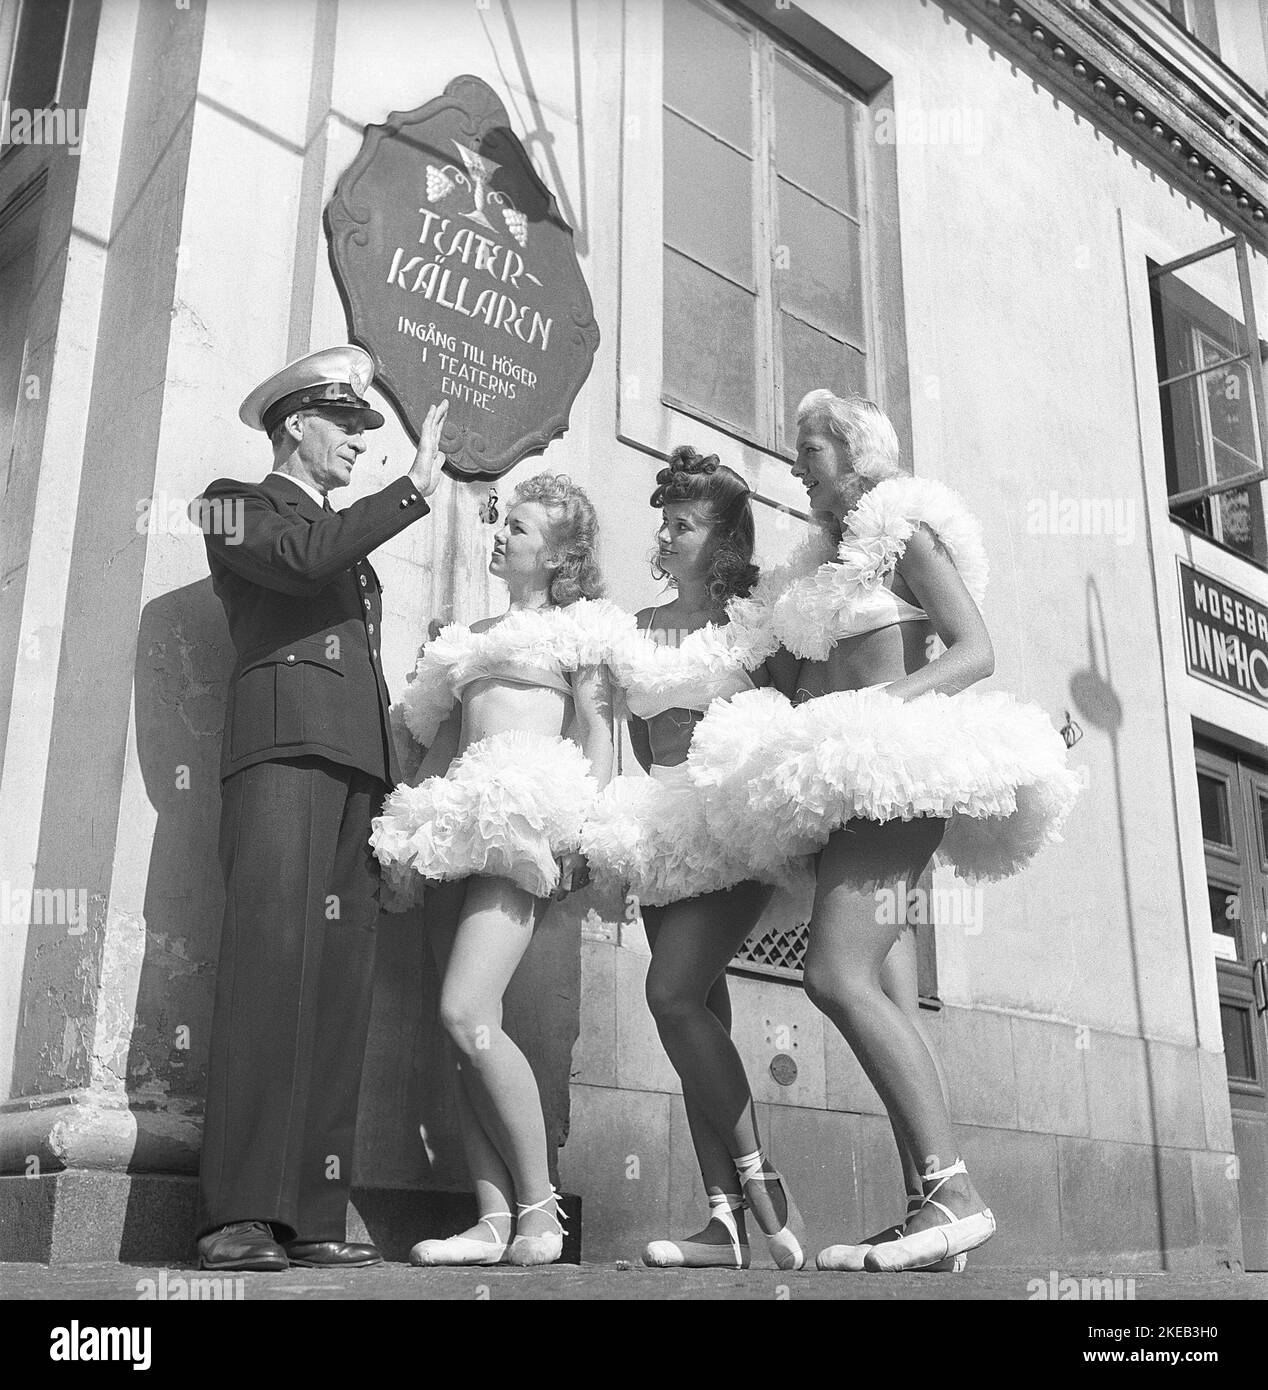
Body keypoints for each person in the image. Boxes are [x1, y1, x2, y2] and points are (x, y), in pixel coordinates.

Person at [687, 390, 1081, 1272]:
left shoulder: (907, 531)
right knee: (885, 994)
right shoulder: (816, 568)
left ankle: (955, 1193)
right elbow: (782, 674)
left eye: (809, 449)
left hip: (892, 775)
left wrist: (868, 717)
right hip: (836, 787)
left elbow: (974, 649)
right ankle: (930, 1213)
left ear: (857, 453)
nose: (795, 464)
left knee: (834, 974)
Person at [196, 345, 448, 1272]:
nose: (359, 444)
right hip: (282, 755)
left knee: (338, 993)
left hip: (353, 769)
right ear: (296, 424)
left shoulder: (343, 538)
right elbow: (301, 560)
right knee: (272, 969)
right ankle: (239, 1214)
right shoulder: (226, 501)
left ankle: (307, 1211)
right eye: (347, 425)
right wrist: (409, 493)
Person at [371, 473, 624, 1267]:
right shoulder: (464, 637)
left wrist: (585, 836)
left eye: (519, 527)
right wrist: (412, 834)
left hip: (524, 827)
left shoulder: (579, 634)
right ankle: (490, 1219)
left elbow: (599, 743)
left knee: (464, 1008)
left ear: (558, 556)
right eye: (504, 523)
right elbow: (442, 745)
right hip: (457, 825)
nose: (501, 535)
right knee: (466, 1035)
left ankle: (540, 1208)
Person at [582, 446, 805, 1270]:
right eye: (665, 523)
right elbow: (639, 740)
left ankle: (758, 1177)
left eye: (687, 524)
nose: (669, 536)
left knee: (669, 995)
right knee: (698, 1018)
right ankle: (722, 1225)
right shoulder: (636, 629)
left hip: (735, 822)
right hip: (661, 823)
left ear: (725, 540)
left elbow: (800, 709)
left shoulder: (756, 624)